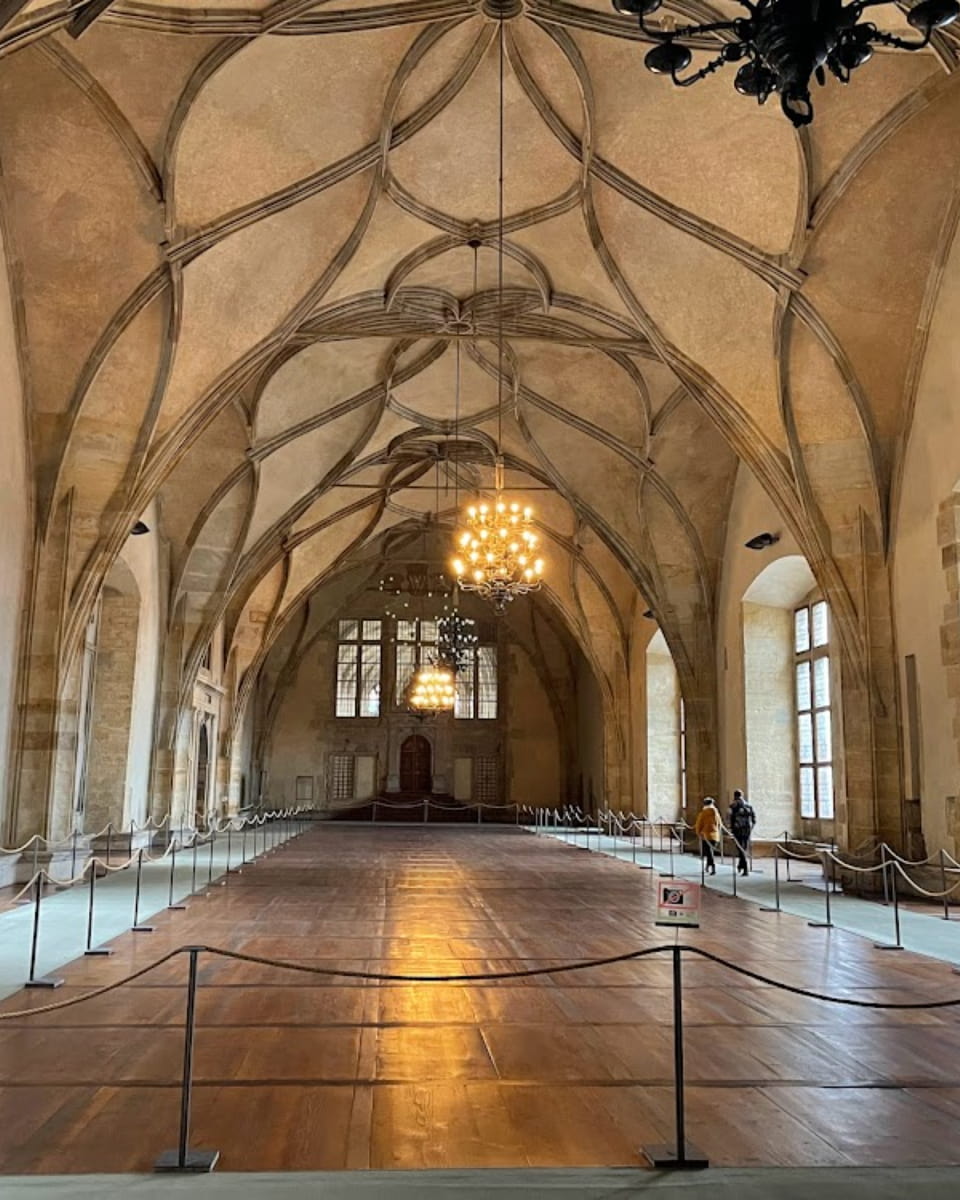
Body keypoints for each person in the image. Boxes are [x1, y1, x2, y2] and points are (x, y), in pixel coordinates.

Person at [729, 788, 756, 876]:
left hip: (738, 829)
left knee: (740, 849)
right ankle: (740, 865)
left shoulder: (733, 806)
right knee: (743, 848)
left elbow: (730, 818)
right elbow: (754, 818)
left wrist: (731, 829)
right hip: (747, 829)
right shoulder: (749, 805)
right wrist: (750, 827)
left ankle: (745, 868)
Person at [693, 797, 721, 875]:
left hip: (706, 835)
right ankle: (708, 866)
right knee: (710, 851)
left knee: (708, 852)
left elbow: (699, 824)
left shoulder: (703, 813)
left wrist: (698, 832)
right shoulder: (716, 813)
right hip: (715, 835)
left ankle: (713, 867)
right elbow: (719, 823)